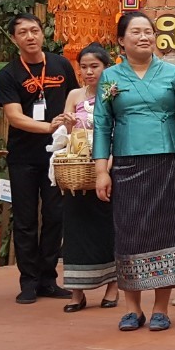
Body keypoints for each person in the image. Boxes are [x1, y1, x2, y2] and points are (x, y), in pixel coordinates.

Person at [92, 11, 175, 332]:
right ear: (121, 40)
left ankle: (161, 308)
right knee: (129, 233)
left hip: (166, 162)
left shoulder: (172, 73)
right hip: (126, 164)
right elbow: (102, 125)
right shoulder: (110, 77)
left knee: (164, 231)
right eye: (136, 32)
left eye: (149, 31)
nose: (144, 37)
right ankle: (133, 309)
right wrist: (101, 171)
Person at [0, 14, 78, 304]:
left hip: (58, 154)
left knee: (55, 216)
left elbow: (74, 100)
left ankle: (48, 279)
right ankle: (28, 282)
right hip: (24, 157)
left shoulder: (61, 65)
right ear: (14, 38)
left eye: (34, 30)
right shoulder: (9, 74)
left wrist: (69, 126)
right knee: (26, 219)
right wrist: (49, 127)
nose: (30, 36)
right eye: (22, 32)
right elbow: (14, 117)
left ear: (43, 34)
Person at [58, 43, 119, 312]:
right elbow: (66, 132)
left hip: (108, 167)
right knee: (75, 229)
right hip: (78, 168)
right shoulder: (74, 94)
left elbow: (119, 132)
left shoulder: (114, 94)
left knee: (108, 227)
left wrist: (106, 168)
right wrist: (67, 123)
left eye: (95, 66)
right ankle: (76, 291)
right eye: (83, 67)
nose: (89, 72)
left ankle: (112, 286)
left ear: (106, 67)